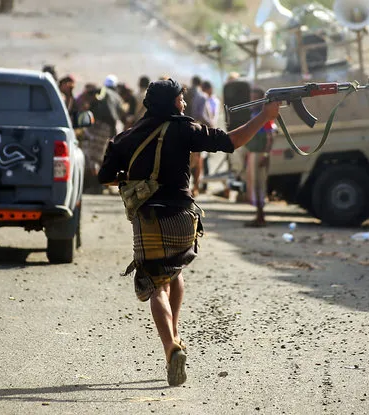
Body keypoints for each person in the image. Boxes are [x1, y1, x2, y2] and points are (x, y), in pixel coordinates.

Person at [97, 78, 280, 386]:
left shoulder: (126, 138)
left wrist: (135, 182)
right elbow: (230, 141)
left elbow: (105, 178)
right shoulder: (184, 129)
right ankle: (177, 336)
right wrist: (264, 117)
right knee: (175, 272)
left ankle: (170, 346)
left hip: (149, 218)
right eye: (181, 100)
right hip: (183, 217)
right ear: (172, 103)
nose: (184, 104)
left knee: (156, 284)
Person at [244, 87, 276, 227]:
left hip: (259, 154)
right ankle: (258, 215)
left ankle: (260, 217)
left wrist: (265, 155)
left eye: (255, 98)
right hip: (253, 153)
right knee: (254, 184)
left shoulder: (264, 116)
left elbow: (270, 137)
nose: (253, 101)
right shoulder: (255, 114)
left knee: (259, 185)